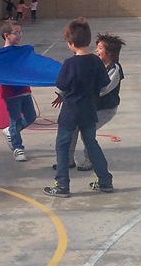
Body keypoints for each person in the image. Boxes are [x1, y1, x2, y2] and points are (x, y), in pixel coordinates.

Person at [44, 18, 113, 197]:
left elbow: (61, 86)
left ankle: (62, 185)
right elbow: (104, 84)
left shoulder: (69, 63)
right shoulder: (96, 62)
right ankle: (105, 180)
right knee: (91, 144)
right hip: (89, 111)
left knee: (62, 146)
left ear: (71, 43)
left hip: (70, 113)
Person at [51, 32, 125, 171]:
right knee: (73, 128)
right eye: (96, 47)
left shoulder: (114, 68)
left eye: (100, 48)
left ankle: (90, 160)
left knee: (87, 132)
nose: (96, 50)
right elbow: (75, 80)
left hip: (105, 108)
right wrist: (62, 94)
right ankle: (67, 160)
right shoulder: (95, 64)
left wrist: (82, 93)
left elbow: (105, 88)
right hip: (89, 106)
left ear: (109, 52)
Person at [0, 20, 37, 162]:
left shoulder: (22, 52)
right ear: (6, 35)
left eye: (20, 32)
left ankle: (11, 131)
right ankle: (18, 147)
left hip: (24, 89)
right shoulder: (1, 54)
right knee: (14, 118)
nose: (19, 35)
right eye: (16, 33)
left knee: (31, 116)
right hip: (11, 93)